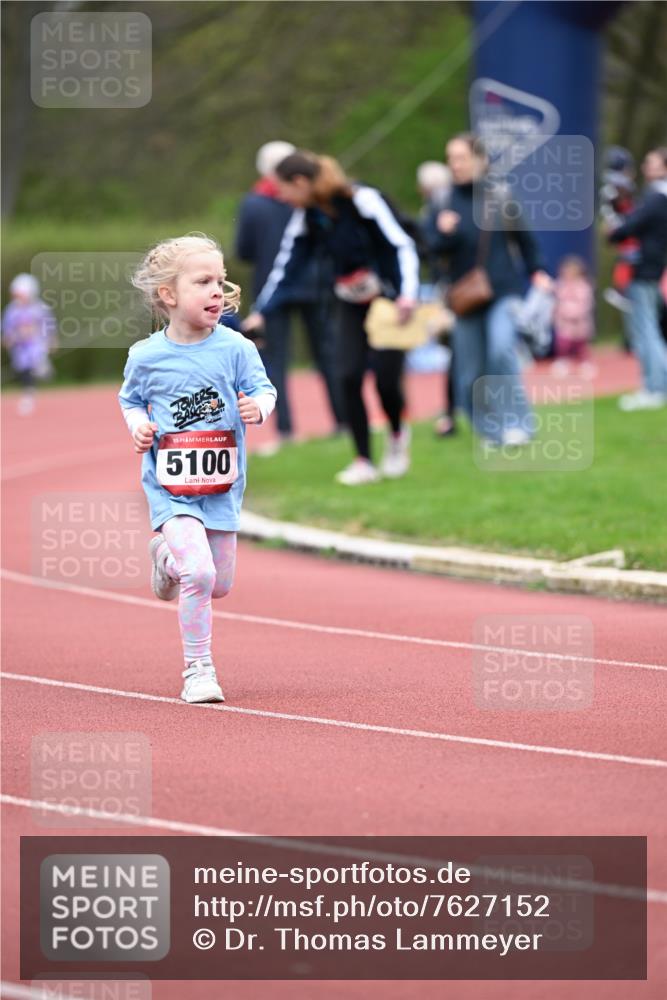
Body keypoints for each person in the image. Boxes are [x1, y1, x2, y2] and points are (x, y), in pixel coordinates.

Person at [118, 234, 276, 704]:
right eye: (203, 281)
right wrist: (139, 425)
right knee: (201, 576)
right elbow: (129, 400)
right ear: (168, 294)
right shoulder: (146, 356)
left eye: (221, 281)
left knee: (220, 583)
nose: (217, 291)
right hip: (171, 488)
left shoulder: (235, 348)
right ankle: (198, 669)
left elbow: (264, 388)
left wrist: (259, 409)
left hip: (221, 487)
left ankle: (164, 559)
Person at [243, 151, 420, 486]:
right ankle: (363, 460)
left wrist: (408, 294)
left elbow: (401, 245)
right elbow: (286, 267)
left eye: (283, 189)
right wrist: (261, 312)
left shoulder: (361, 199)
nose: (281, 197)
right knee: (347, 375)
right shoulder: (306, 216)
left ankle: (397, 436)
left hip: (390, 303)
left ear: (300, 183)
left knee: (385, 380)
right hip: (348, 303)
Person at [425, 133, 551, 445]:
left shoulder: (501, 195)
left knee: (501, 350)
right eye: (450, 158)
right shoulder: (441, 201)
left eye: (461, 157)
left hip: (503, 290)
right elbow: (428, 249)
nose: (455, 165)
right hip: (464, 299)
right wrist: (443, 234)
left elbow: (524, 238)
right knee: (468, 373)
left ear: (479, 159)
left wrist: (537, 271)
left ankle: (518, 423)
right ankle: (490, 430)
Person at [235, 141, 344, 449]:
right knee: (327, 355)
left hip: (273, 290)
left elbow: (243, 251)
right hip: (315, 286)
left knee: (275, 361)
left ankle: (285, 431)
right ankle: (342, 422)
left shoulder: (253, 204)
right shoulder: (314, 200)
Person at [607, 146, 667, 410]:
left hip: (644, 270)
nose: (645, 167)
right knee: (649, 329)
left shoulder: (656, 198)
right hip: (653, 268)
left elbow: (629, 226)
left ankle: (655, 388)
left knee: (646, 331)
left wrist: (614, 231)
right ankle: (655, 385)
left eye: (651, 162)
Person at [1, 273, 57, 415]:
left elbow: (49, 325)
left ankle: (42, 365)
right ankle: (29, 394)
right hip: (20, 348)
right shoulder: (11, 310)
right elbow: (7, 328)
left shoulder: (40, 308)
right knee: (23, 368)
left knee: (36, 359)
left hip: (36, 344)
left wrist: (51, 339)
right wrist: (8, 338)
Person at [551, 256, 595, 378]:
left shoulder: (583, 286)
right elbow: (557, 302)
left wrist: (574, 313)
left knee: (581, 345)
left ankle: (585, 364)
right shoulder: (560, 285)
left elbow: (585, 304)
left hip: (580, 323)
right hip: (564, 323)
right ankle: (563, 362)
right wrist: (556, 314)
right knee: (562, 344)